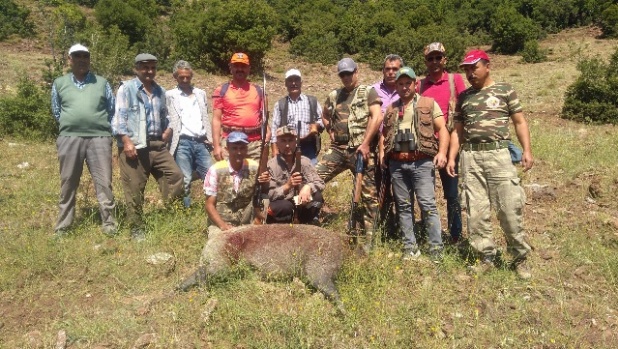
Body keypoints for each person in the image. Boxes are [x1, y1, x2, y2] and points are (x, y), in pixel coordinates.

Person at [446, 50, 534, 279]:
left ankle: (519, 258)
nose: (469, 72)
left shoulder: (505, 90)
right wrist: (452, 157)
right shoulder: (464, 97)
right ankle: (485, 256)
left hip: (499, 155)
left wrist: (526, 150)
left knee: (509, 208)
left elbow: (519, 121)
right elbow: (457, 132)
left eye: (474, 67)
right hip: (471, 158)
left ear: (487, 66)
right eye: (466, 68)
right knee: (475, 211)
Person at [112, 53, 184, 241]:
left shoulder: (160, 91)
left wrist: (168, 129)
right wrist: (126, 142)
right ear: (136, 69)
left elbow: (166, 116)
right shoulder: (126, 89)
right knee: (134, 187)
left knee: (175, 176)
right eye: (145, 67)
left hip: (157, 146)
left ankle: (172, 215)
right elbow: (119, 119)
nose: (149, 71)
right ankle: (137, 227)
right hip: (135, 145)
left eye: (153, 67)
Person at [380, 67, 449, 262]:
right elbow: (384, 134)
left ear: (415, 84)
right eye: (400, 84)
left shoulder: (428, 103)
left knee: (427, 204)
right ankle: (410, 248)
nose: (404, 87)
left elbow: (442, 129)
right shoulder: (392, 107)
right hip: (397, 164)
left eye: (407, 83)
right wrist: (383, 154)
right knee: (403, 206)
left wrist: (442, 152)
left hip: (422, 161)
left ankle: (436, 250)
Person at [50, 43, 117, 237]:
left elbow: (111, 109)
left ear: (89, 59)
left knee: (104, 182)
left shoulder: (102, 82)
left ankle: (109, 223)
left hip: (99, 137)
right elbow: (57, 111)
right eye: (77, 56)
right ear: (69, 59)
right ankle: (63, 226)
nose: (81, 59)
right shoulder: (59, 83)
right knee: (68, 182)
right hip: (70, 138)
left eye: (85, 56)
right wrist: (72, 123)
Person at [317, 57, 383, 250]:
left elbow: (377, 116)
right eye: (342, 74)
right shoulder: (334, 95)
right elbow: (325, 114)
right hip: (338, 150)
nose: (346, 77)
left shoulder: (368, 92)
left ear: (356, 71)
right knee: (313, 179)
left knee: (369, 196)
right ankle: (311, 222)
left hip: (361, 150)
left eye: (349, 73)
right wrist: (330, 130)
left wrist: (365, 144)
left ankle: (369, 241)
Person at [417, 42, 467, 243]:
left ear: (445, 59)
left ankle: (455, 235)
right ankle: (429, 232)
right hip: (426, 147)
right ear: (426, 61)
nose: (435, 62)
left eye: (438, 58)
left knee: (452, 193)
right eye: (430, 58)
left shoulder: (456, 81)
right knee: (424, 193)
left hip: (451, 145)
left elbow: (463, 113)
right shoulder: (419, 85)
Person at [166, 60, 213, 208]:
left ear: (191, 75)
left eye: (188, 77)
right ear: (175, 77)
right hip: (182, 142)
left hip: (201, 141)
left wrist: (209, 138)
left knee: (209, 177)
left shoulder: (201, 94)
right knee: (185, 178)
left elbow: (205, 116)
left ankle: (211, 208)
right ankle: (186, 210)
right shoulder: (170, 95)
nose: (185, 80)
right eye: (181, 77)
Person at [203, 132, 270, 233]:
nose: (239, 152)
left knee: (265, 199)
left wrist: (265, 181)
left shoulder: (254, 167)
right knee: (220, 245)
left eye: (242, 148)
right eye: (234, 148)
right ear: (227, 149)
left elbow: (262, 191)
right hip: (222, 222)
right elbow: (209, 205)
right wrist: (223, 226)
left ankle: (257, 227)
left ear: (246, 149)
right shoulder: (215, 170)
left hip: (246, 220)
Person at [211, 52, 268, 162]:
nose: (240, 69)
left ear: (249, 68)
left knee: (255, 177)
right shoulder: (221, 90)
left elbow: (264, 118)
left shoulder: (259, 91)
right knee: (230, 177)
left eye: (243, 66)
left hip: (254, 144)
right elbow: (216, 120)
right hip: (230, 143)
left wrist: (268, 134)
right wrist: (216, 146)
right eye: (236, 66)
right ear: (230, 67)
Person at [371, 54, 404, 238]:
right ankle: (386, 228)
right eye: (388, 69)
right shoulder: (373, 90)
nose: (391, 72)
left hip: (403, 146)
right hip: (380, 147)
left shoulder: (408, 89)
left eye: (395, 69)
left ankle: (403, 227)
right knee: (382, 188)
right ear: (383, 70)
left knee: (403, 190)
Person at [266, 126, 325, 224]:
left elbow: (320, 183)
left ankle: (307, 223)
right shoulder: (271, 165)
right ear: (277, 143)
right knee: (284, 207)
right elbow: (269, 195)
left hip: (301, 202)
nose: (287, 145)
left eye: (291, 140)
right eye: (283, 141)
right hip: (283, 204)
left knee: (317, 197)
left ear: (296, 142)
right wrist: (287, 186)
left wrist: (308, 187)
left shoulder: (304, 161)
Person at [270, 69, 323, 165]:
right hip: (287, 146)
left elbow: (322, 120)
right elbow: (274, 128)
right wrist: (274, 149)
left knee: (311, 174)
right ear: (285, 83)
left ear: (301, 82)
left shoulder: (312, 101)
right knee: (288, 176)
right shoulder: (280, 104)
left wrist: (316, 126)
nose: (293, 83)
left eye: (296, 80)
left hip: (308, 146)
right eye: (290, 80)